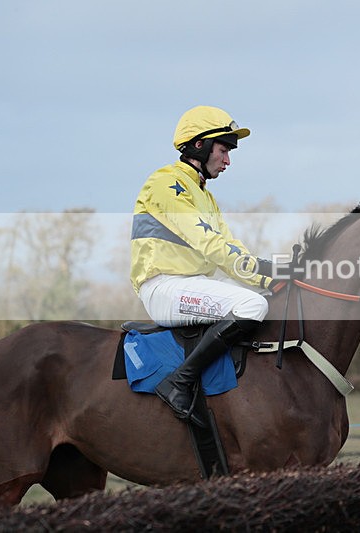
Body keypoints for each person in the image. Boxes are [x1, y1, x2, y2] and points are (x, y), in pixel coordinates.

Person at [130, 105, 276, 423]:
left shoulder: (204, 195)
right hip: (164, 286)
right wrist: (265, 276)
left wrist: (272, 274)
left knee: (265, 300)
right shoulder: (167, 183)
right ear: (201, 145)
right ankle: (179, 383)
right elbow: (209, 244)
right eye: (224, 150)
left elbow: (229, 246)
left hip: (191, 283)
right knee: (252, 307)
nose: (228, 161)